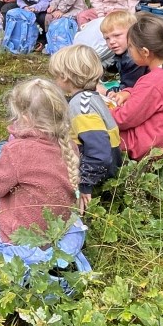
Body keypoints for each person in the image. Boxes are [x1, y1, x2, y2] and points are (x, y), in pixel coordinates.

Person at [0, 78, 78, 261]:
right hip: (55, 230)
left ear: (25, 118)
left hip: (24, 234)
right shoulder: (68, 145)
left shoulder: (20, 150)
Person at [49, 44, 122, 208]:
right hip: (107, 166)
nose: (55, 80)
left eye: (56, 76)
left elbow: (99, 152)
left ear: (65, 77)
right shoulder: (91, 97)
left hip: (97, 175)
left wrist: (85, 183)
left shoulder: (81, 105)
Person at [108, 16, 163, 161]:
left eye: (130, 47)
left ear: (145, 52)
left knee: (90, 132)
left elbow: (123, 119)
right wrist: (129, 92)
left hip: (142, 148)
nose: (129, 51)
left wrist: (103, 112)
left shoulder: (153, 81)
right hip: (162, 145)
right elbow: (152, 97)